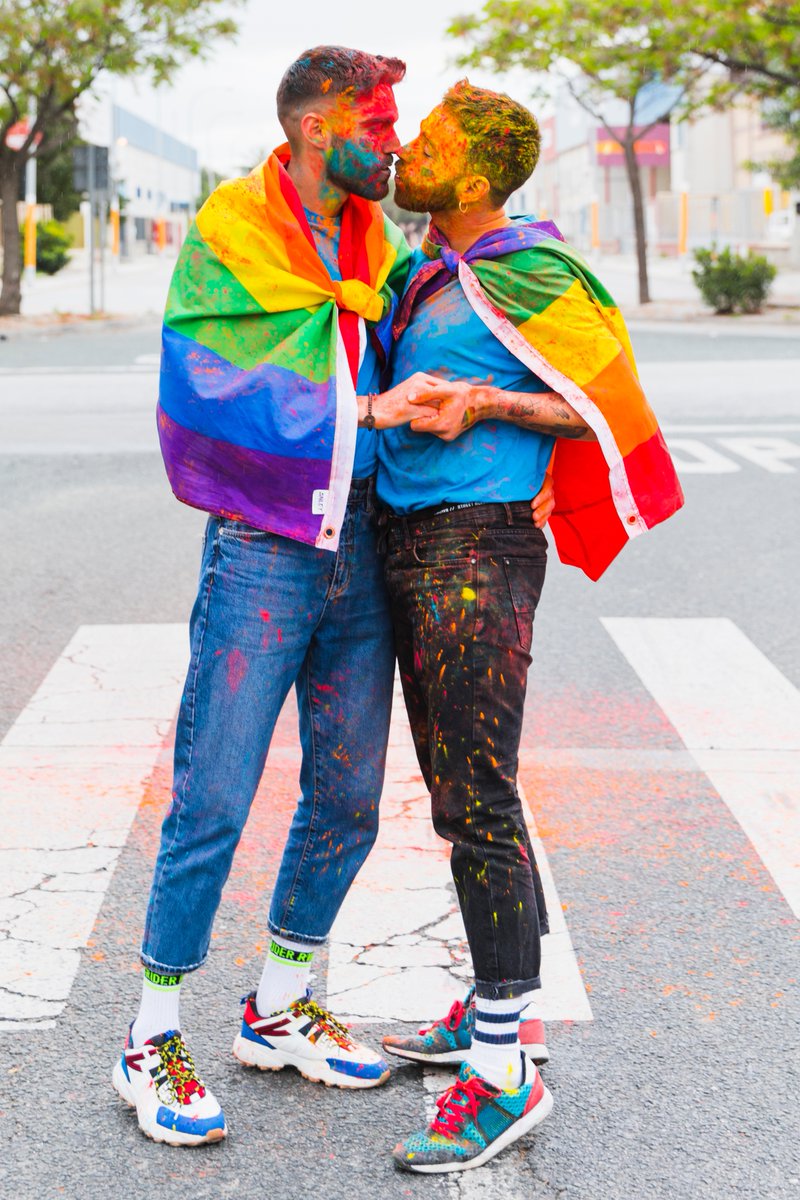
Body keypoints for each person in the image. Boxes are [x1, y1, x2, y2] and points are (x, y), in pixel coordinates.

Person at [109, 45, 455, 1147]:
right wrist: (374, 408)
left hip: (360, 542)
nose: (391, 142)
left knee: (350, 797)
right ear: (317, 127)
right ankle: (149, 1034)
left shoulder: (372, 235)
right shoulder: (233, 226)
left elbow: (410, 327)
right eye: (379, 124)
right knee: (213, 794)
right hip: (262, 547)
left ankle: (277, 1004)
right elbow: (208, 383)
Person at [372, 81, 684, 1174]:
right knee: (462, 791)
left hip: (478, 549)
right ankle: (492, 1011)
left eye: (430, 141)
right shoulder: (418, 273)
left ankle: (502, 1073)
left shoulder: (530, 270)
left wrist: (487, 402)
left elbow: (608, 404)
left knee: (478, 800)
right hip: (408, 541)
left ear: (472, 175)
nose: (408, 148)